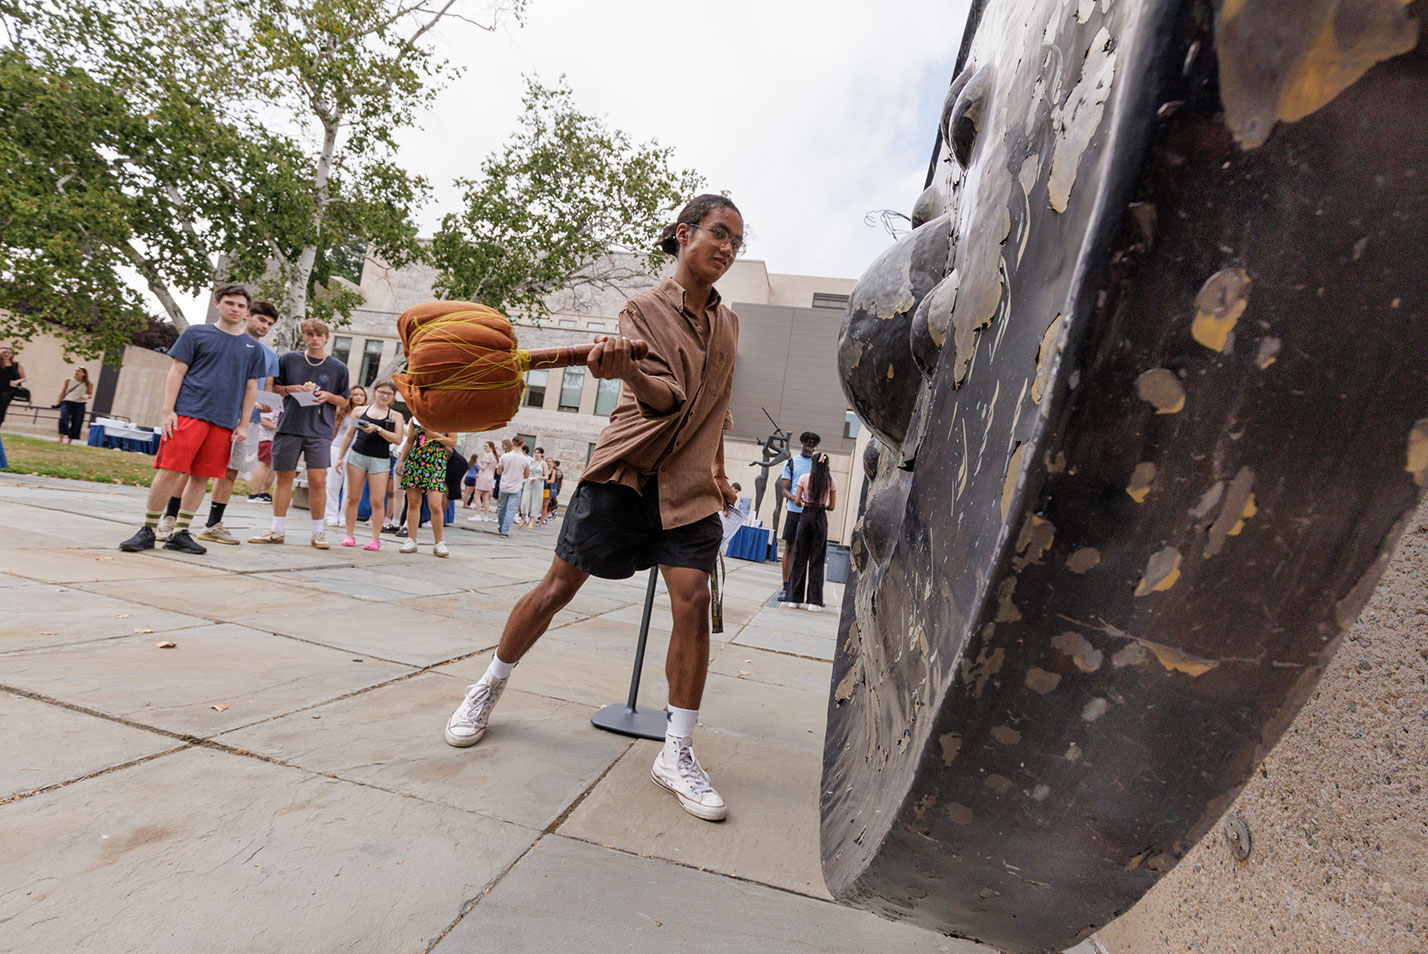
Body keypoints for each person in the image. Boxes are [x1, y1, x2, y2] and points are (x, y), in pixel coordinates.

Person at [443, 194, 744, 823]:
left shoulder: (730, 324)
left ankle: (677, 750)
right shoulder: (643, 308)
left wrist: (716, 472)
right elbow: (665, 398)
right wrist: (626, 374)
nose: (726, 249)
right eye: (718, 233)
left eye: (735, 242)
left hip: (687, 487)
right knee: (557, 587)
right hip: (625, 472)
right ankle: (487, 686)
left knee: (691, 603)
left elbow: (712, 405)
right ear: (684, 234)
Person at [118, 285, 264, 554]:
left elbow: (251, 387)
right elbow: (177, 372)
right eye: (230, 303)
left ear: (246, 312)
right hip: (188, 414)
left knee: (201, 477)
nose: (235, 309)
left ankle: (180, 533)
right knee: (170, 470)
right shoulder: (197, 333)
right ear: (218, 303)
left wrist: (243, 424)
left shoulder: (253, 347)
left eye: (241, 306)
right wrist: (167, 411)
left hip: (223, 423)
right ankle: (148, 530)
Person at [249, 318, 350, 548]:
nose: (314, 338)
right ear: (303, 337)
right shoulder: (289, 359)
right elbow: (273, 388)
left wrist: (328, 397)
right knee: (284, 478)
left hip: (320, 430)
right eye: (309, 334)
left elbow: (344, 399)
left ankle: (318, 532)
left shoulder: (338, 367)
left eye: (319, 335)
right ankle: (277, 529)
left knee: (317, 480)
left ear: (326, 338)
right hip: (289, 426)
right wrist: (289, 389)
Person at [191, 300, 280, 545]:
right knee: (195, 470)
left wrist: (264, 405)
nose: (265, 326)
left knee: (230, 472)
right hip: (218, 415)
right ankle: (172, 518)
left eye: (270, 324)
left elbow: (264, 388)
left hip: (249, 420)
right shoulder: (229, 342)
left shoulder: (269, 355)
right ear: (248, 315)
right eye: (261, 320)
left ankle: (213, 524)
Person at [336, 379, 404, 550]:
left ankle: (375, 538)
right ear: (374, 392)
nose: (384, 396)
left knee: (377, 500)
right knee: (353, 497)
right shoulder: (359, 411)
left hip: (380, 459)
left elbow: (397, 438)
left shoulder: (396, 416)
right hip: (358, 455)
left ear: (393, 397)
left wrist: (378, 429)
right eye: (381, 392)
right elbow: (348, 435)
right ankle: (349, 534)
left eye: (388, 393)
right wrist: (340, 457)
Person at [396, 421, 456, 556]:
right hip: (415, 460)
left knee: (435, 505)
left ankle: (439, 542)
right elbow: (409, 441)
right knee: (413, 503)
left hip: (436, 461)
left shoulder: (449, 418)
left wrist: (434, 435)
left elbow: (452, 443)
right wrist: (401, 460)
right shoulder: (416, 419)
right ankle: (411, 539)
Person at [787, 452, 837, 611]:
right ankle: (814, 602)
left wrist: (802, 503)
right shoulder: (830, 481)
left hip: (806, 515)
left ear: (813, 464)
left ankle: (794, 599)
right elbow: (832, 506)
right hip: (820, 517)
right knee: (817, 559)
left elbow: (796, 501)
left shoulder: (804, 478)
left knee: (799, 556)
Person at [777, 432, 821, 602]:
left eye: (813, 445)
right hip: (794, 512)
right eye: (807, 444)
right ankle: (786, 586)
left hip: (812, 513)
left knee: (808, 551)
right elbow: (784, 489)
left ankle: (803, 590)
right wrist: (795, 499)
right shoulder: (791, 463)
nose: (810, 448)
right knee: (789, 548)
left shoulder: (817, 464)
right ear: (802, 444)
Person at [324, 384, 367, 527]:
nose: (359, 397)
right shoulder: (341, 411)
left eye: (361, 395)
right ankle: (330, 515)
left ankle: (344, 516)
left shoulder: (366, 413)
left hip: (356, 450)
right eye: (356, 394)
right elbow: (333, 431)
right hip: (337, 448)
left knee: (350, 486)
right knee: (333, 484)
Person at [494, 437, 530, 536]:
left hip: (504, 484)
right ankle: (505, 530)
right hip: (516, 486)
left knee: (501, 508)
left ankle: (501, 526)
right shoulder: (525, 459)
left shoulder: (504, 456)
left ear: (512, 444)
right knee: (511, 510)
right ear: (522, 445)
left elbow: (499, 471)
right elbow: (527, 475)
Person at [53, 367, 93, 443]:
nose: (76, 372)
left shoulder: (88, 383)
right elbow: (63, 391)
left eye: (78, 371)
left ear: (84, 374)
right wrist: (58, 402)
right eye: (75, 370)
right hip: (67, 401)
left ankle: (70, 440)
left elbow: (90, 394)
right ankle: (60, 438)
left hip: (80, 404)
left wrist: (87, 396)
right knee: (63, 418)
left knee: (77, 422)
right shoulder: (68, 380)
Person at [466, 440, 499, 521]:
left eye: (486, 446)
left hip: (483, 476)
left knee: (477, 496)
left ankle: (478, 515)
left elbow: (483, 468)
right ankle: (486, 516)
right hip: (490, 477)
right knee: (486, 498)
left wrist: (478, 462)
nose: (484, 447)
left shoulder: (487, 455)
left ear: (491, 447)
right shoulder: (495, 456)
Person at [519, 447, 547, 529]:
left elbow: (546, 476)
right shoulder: (531, 462)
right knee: (525, 500)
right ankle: (524, 517)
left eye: (538, 453)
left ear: (541, 454)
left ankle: (532, 520)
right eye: (535, 452)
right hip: (529, 483)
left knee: (535, 501)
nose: (536, 454)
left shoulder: (543, 463)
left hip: (538, 484)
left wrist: (538, 478)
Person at [0, 345, 28, 427]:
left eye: (9, 353)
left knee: (2, 409)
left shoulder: (16, 365)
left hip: (8, 390)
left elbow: (24, 378)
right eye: (4, 352)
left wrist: (16, 381)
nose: (6, 354)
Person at [538, 459, 561, 526]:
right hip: (540, 488)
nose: (548, 463)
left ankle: (542, 519)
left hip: (548, 489)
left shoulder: (553, 471)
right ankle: (539, 517)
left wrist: (543, 481)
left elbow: (552, 480)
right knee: (539, 504)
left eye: (549, 461)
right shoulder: (543, 469)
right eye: (547, 461)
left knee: (545, 505)